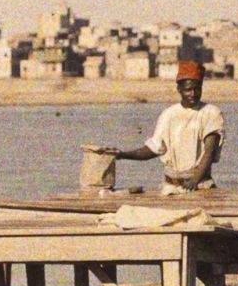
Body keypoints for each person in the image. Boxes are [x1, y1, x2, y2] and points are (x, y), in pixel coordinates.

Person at [89, 61, 224, 191]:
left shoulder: (211, 113)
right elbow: (154, 148)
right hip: (171, 186)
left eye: (197, 88)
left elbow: (209, 152)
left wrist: (195, 180)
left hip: (200, 185)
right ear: (179, 89)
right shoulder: (168, 114)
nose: (193, 94)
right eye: (188, 90)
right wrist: (123, 154)